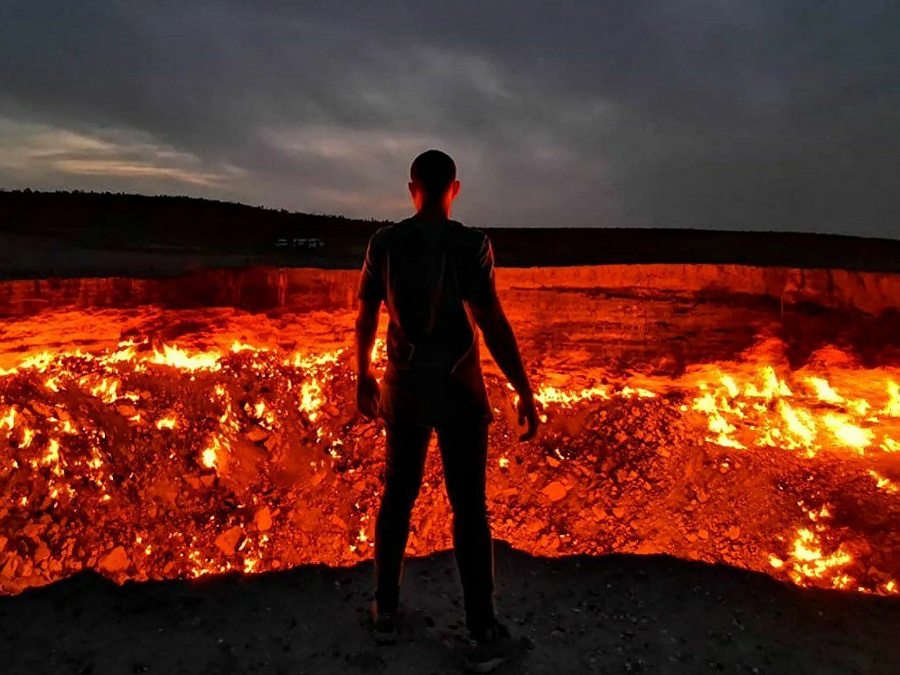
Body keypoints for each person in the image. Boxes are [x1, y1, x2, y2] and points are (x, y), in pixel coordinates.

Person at [355, 149, 539, 672]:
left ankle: (385, 609)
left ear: (411, 187)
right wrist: (523, 389)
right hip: (460, 392)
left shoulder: (384, 244)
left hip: (406, 390)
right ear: (454, 188)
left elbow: (366, 316)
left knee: (398, 498)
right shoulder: (472, 245)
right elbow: (492, 321)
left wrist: (362, 375)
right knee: (469, 509)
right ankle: (481, 624)